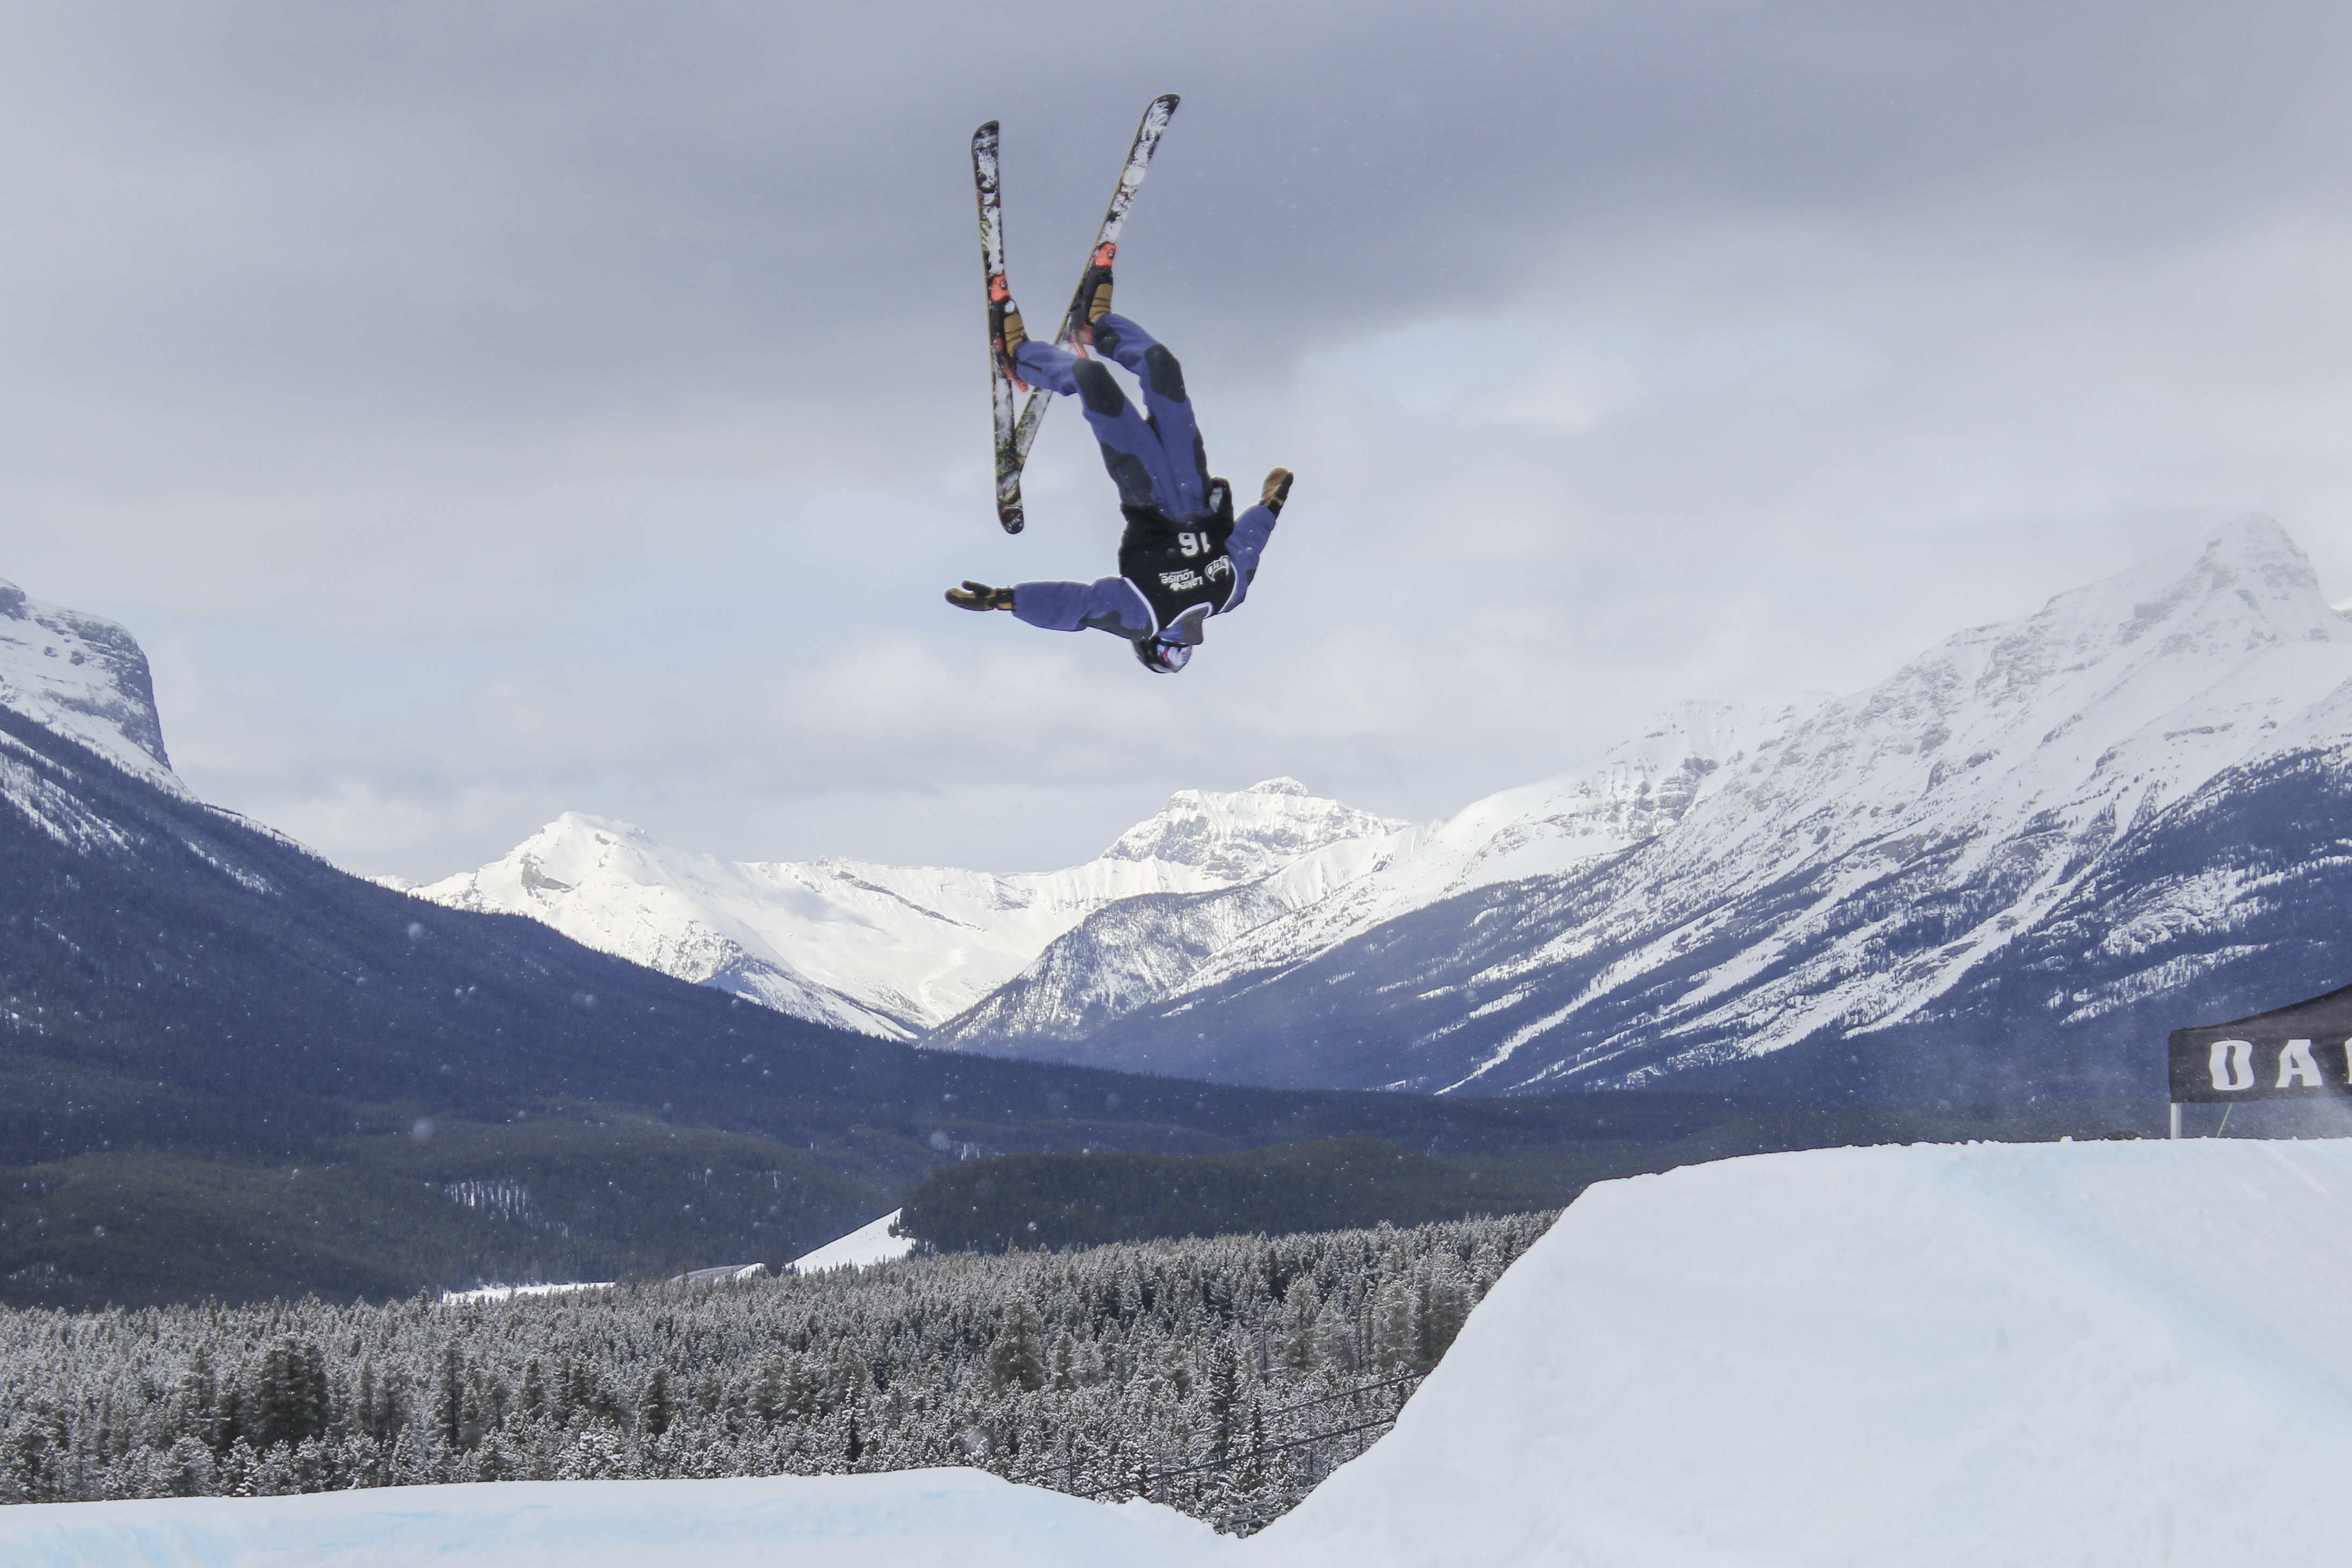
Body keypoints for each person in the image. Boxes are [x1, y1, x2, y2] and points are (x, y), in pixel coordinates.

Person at [946, 258, 1291, 674]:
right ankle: (1096, 325)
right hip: (1193, 485)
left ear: (1148, 647)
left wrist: (1011, 599)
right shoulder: (1228, 594)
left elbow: (1080, 607)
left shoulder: (1144, 616)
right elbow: (1250, 546)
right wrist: (1270, 506)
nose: (1178, 650)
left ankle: (1021, 359)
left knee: (1098, 386)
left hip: (1150, 493)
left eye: (1170, 656)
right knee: (1162, 370)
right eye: (1180, 656)